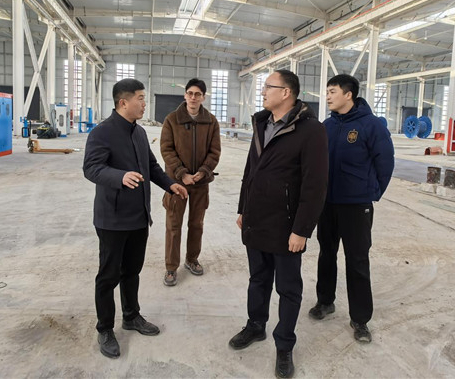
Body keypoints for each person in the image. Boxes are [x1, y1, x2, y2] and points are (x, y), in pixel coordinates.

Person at [230, 70, 329, 378]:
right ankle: (255, 325)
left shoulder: (311, 130)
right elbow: (250, 170)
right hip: (256, 219)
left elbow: (315, 185)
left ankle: (284, 345)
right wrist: (243, 208)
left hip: (287, 227)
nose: (262, 92)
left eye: (267, 87)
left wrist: (302, 230)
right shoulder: (261, 123)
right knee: (258, 279)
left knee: (288, 288)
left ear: (286, 92)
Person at [83, 79, 188, 359]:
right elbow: (91, 168)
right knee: (108, 276)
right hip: (112, 219)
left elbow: (151, 166)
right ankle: (105, 328)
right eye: (140, 98)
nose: (144, 103)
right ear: (123, 102)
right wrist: (119, 176)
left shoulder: (139, 132)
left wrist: (170, 184)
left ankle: (131, 316)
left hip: (139, 217)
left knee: (131, 272)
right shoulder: (102, 133)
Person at [308, 74, 394, 344]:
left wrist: (371, 192)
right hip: (328, 204)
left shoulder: (371, 125)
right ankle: (325, 301)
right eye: (327, 91)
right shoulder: (327, 126)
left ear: (349, 94)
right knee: (326, 253)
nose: (328, 96)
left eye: (332, 91)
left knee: (357, 260)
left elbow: (385, 162)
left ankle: (360, 319)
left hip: (356, 206)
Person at [160, 78, 221, 286]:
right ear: (185, 95)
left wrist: (203, 172)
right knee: (173, 224)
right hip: (177, 183)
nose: (193, 97)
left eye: (198, 94)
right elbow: (166, 149)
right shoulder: (172, 120)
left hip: (200, 183)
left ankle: (192, 259)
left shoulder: (211, 121)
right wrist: (182, 173)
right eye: (190, 93)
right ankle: (171, 267)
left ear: (203, 97)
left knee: (196, 224)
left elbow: (215, 151)